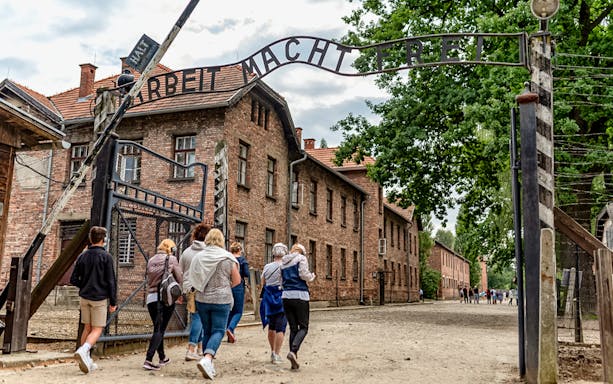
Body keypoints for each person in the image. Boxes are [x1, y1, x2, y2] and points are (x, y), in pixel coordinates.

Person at [184, 228, 241, 380]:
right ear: (221, 240)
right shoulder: (227, 258)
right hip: (222, 300)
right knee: (219, 331)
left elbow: (192, 277)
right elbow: (237, 281)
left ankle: (208, 364)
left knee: (207, 331)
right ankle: (208, 358)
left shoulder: (199, 257)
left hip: (202, 299)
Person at [70, 226, 117, 374]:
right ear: (104, 239)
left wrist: (84, 284)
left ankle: (86, 360)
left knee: (87, 327)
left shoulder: (82, 256)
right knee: (97, 328)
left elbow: (73, 279)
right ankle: (83, 350)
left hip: (85, 297)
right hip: (99, 298)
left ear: (91, 239)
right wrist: (113, 301)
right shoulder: (106, 257)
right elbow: (111, 281)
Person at [143, 239, 183, 370]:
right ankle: (148, 360)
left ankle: (162, 357)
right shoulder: (171, 259)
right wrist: (180, 292)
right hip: (164, 298)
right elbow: (179, 277)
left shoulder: (151, 260)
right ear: (171, 249)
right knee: (159, 329)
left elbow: (149, 278)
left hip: (151, 298)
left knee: (158, 328)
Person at [281, 243, 316, 370]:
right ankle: (293, 351)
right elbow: (303, 274)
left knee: (293, 328)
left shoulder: (283, 262)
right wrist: (311, 277)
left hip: (286, 296)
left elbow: (281, 280)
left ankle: (293, 357)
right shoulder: (301, 258)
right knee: (304, 327)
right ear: (301, 251)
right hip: (300, 295)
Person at [180, 223, 211, 361]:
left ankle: (200, 347)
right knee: (199, 318)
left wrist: (182, 291)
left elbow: (181, 272)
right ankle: (191, 349)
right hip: (202, 287)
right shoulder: (208, 253)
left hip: (189, 288)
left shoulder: (187, 252)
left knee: (198, 317)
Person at [260, 243, 288, 364]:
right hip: (281, 297)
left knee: (271, 326)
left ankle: (272, 351)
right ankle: (277, 354)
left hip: (269, 297)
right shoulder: (286, 267)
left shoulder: (267, 267)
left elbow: (263, 283)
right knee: (280, 327)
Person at [226, 241, 250, 343]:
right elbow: (247, 274)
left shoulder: (228, 259)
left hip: (228, 285)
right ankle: (230, 329)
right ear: (240, 250)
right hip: (238, 286)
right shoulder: (242, 260)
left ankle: (230, 335)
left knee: (230, 310)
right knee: (238, 311)